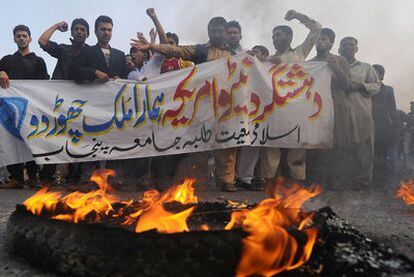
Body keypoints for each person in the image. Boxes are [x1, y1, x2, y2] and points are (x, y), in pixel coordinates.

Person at [131, 16, 237, 192]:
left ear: (226, 32)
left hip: (226, 104)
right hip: (203, 104)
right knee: (200, 142)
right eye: (213, 31)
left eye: (220, 31)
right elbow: (176, 50)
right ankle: (199, 181)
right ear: (209, 32)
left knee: (227, 143)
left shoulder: (236, 54)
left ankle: (227, 181)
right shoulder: (200, 50)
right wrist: (152, 46)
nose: (217, 34)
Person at [264, 10, 322, 187]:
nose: (275, 38)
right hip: (274, 107)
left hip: (296, 107)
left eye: (279, 35)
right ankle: (269, 183)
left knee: (297, 146)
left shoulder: (300, 53)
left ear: (289, 36)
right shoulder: (266, 60)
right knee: (271, 145)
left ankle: (297, 184)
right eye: (273, 36)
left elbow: (317, 29)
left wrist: (297, 16)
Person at [38, 18, 89, 185]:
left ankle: (74, 178)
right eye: (77, 29)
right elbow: (42, 41)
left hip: (81, 104)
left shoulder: (92, 53)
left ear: (87, 34)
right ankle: (46, 178)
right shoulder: (63, 49)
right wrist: (56, 26)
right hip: (59, 101)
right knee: (54, 137)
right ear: (72, 32)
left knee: (79, 139)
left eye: (83, 29)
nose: (79, 32)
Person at [0, 24, 50, 189]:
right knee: (11, 141)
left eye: (24, 35)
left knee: (31, 141)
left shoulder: (39, 61)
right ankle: (16, 178)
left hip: (32, 109)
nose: (21, 38)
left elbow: (45, 83)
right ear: (14, 39)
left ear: (30, 38)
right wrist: (1, 72)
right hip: (9, 110)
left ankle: (33, 176)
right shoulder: (6, 60)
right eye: (18, 36)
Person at [307, 28, 351, 187]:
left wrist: (337, 68)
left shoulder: (339, 60)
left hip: (337, 106)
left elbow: (347, 85)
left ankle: (335, 181)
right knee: (317, 144)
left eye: (323, 39)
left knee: (337, 144)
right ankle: (317, 181)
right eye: (318, 39)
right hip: (317, 108)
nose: (319, 42)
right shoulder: (311, 63)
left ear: (331, 42)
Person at [339, 36, 380, 188]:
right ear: (339, 49)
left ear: (356, 49)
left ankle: (362, 182)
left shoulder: (366, 67)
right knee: (342, 147)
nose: (348, 47)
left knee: (365, 148)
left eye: (351, 45)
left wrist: (361, 86)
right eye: (344, 45)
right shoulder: (333, 66)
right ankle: (343, 180)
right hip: (340, 114)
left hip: (361, 113)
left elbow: (377, 86)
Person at [236, 45, 270, 190]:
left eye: (256, 52)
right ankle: (244, 178)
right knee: (249, 144)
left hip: (267, 111)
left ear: (264, 56)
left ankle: (262, 179)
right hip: (250, 111)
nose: (253, 55)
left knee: (267, 150)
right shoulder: (247, 66)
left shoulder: (270, 68)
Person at [70, 15, 128, 81]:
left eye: (109, 30)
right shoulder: (86, 51)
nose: (106, 32)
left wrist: (120, 79)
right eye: (103, 29)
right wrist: (95, 72)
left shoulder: (120, 55)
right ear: (95, 32)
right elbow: (75, 71)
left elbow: (126, 77)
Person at [372, 64, 399, 186]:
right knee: (376, 157)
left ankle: (392, 184)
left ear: (381, 75)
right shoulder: (366, 90)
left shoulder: (388, 90)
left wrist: (397, 128)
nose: (373, 75)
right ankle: (378, 182)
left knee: (391, 158)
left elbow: (393, 109)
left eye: (376, 73)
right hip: (371, 128)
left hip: (386, 128)